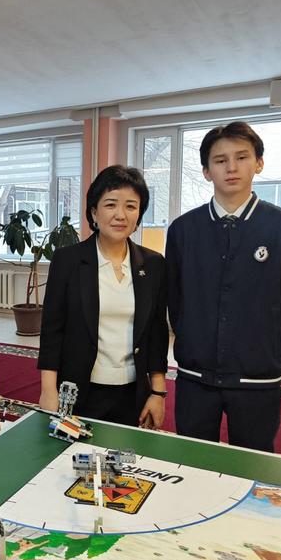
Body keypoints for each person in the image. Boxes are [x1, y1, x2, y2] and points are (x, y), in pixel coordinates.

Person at [166, 121, 281, 452]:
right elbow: (176, 299)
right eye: (220, 160)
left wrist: (269, 351)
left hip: (257, 377)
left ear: (258, 163)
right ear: (206, 171)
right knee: (192, 459)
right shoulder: (184, 230)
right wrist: (191, 340)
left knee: (254, 462)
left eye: (242, 157)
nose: (231, 167)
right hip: (194, 376)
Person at [38, 165, 168, 428]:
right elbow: (52, 330)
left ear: (139, 214)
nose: (121, 215)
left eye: (131, 206)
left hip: (133, 392)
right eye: (111, 204)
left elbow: (157, 331)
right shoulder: (68, 261)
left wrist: (158, 392)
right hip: (79, 389)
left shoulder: (153, 264)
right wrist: (48, 390)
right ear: (94, 212)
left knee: (126, 453)